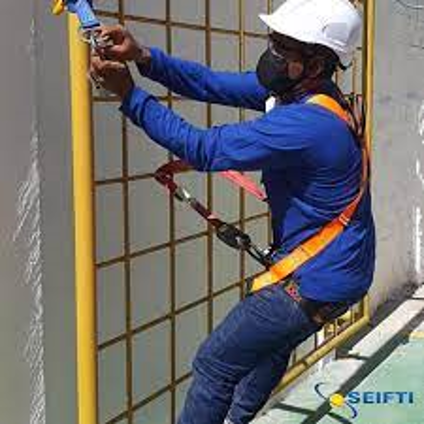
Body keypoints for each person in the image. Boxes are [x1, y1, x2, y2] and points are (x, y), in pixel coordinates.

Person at [90, 0, 376, 423]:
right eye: (272, 41)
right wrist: (143, 56)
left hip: (314, 280)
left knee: (214, 363)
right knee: (272, 346)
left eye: (283, 48)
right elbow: (210, 84)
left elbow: (202, 148)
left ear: (316, 63)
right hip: (339, 271)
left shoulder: (308, 124)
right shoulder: (310, 95)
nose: (271, 54)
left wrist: (130, 95)